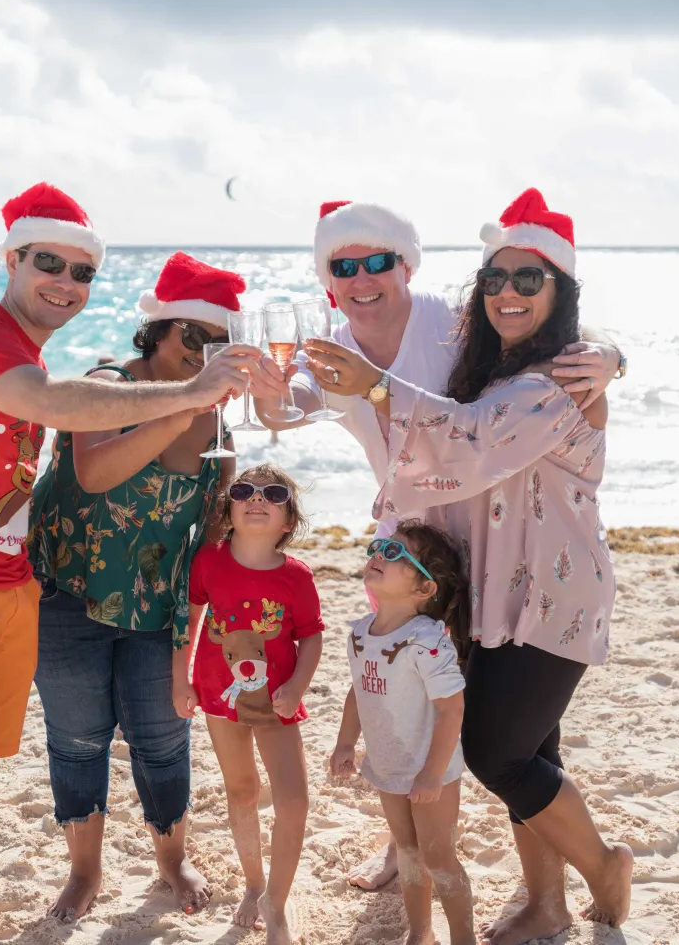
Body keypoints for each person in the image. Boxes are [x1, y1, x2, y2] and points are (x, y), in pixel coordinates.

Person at [0, 183, 263, 945]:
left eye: (84, 272)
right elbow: (58, 410)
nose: (67, 283)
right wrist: (191, 393)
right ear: (12, 258)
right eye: (50, 262)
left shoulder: (28, 350)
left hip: (9, 587)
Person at [252, 198, 625, 891]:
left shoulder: (517, 357)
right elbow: (293, 399)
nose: (506, 294)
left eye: (377, 261)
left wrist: (610, 353)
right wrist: (271, 400)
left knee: (497, 747)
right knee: (519, 739)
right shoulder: (475, 350)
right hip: (462, 561)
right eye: (494, 281)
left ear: (406, 264)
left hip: (543, 582)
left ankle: (603, 869)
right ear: (326, 280)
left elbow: (475, 436)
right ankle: (540, 899)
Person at [27, 252, 263, 921]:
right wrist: (187, 402)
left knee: (163, 737)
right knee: (76, 739)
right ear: (156, 331)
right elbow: (97, 471)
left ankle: (171, 859)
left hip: (156, 606)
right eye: (193, 337)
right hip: (66, 593)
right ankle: (85, 871)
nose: (203, 356)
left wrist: (209, 627)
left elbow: (216, 531)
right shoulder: (103, 382)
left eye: (219, 345)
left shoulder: (216, 423)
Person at [176, 464, 324, 945]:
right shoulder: (209, 561)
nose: (256, 498)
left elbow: (312, 639)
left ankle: (275, 904)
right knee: (241, 791)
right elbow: (190, 624)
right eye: (244, 491)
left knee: (294, 801)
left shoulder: (297, 578)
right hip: (219, 698)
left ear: (287, 521)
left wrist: (298, 687)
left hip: (277, 702)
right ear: (230, 510)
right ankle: (254, 884)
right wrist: (181, 680)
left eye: (273, 493)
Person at [331, 521, 475, 945]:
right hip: (387, 762)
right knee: (409, 853)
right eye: (378, 547)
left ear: (424, 589)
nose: (377, 555)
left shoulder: (427, 640)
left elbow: (452, 708)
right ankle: (420, 933)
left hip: (432, 768)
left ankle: (463, 938)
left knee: (438, 856)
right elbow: (358, 690)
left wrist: (432, 773)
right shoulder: (360, 634)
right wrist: (345, 742)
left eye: (394, 553)